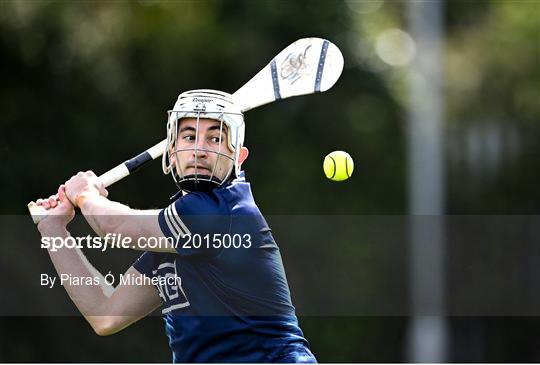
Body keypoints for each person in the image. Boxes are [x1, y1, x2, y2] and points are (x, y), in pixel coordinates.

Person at [36, 89, 317, 363]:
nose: (200, 150)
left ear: (239, 157)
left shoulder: (225, 211)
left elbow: (113, 226)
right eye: (190, 137)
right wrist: (53, 230)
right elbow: (105, 315)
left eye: (216, 138)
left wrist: (85, 194)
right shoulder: (173, 234)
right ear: (172, 153)